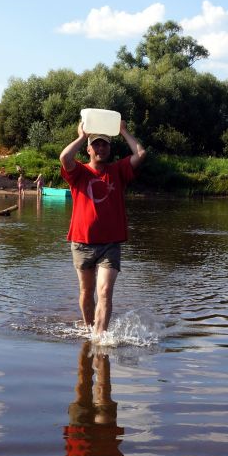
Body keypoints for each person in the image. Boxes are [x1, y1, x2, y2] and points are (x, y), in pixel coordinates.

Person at [59, 119, 147, 336]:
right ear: (88, 149)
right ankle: (90, 330)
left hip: (110, 244)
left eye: (104, 144)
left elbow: (141, 154)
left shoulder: (117, 171)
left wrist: (124, 131)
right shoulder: (78, 172)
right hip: (81, 242)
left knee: (105, 291)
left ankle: (100, 337)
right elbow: (64, 157)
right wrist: (81, 136)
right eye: (96, 144)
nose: (100, 148)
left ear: (109, 149)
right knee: (87, 292)